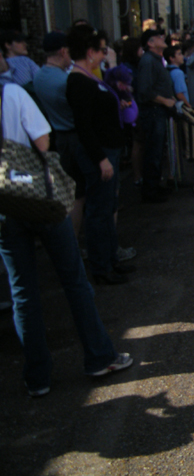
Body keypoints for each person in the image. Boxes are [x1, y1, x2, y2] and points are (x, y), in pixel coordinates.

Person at [0, 82, 133, 397]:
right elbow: (43, 142)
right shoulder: (12, 94)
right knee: (74, 281)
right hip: (37, 197)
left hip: (4, 210)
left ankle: (37, 377)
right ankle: (99, 357)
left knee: (23, 293)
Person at [65, 25, 135, 284]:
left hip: (110, 149)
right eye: (103, 50)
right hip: (100, 153)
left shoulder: (91, 77)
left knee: (108, 207)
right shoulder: (78, 81)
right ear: (91, 52)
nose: (106, 55)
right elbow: (84, 126)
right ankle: (100, 267)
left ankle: (111, 260)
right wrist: (100, 159)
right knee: (98, 210)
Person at [33, 32, 87, 238]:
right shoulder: (66, 81)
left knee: (74, 192)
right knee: (81, 193)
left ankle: (73, 240)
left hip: (59, 135)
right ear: (63, 51)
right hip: (76, 136)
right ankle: (76, 240)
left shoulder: (38, 77)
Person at [135, 29, 176, 203]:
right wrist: (164, 101)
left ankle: (155, 186)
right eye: (159, 37)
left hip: (158, 112)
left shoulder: (157, 60)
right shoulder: (148, 61)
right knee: (153, 152)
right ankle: (150, 191)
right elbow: (145, 90)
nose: (163, 38)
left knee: (157, 152)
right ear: (150, 43)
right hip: (152, 112)